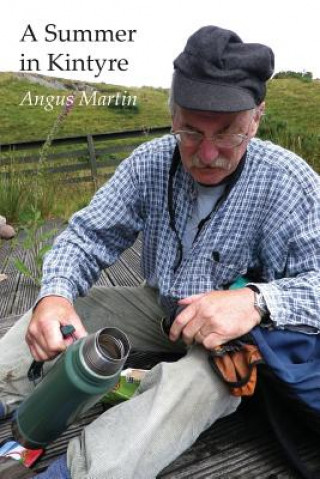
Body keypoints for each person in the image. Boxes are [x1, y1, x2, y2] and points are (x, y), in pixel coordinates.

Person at [1, 25, 320, 479]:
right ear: (172, 116)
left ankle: (75, 472)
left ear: (256, 117)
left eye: (227, 133)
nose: (206, 154)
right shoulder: (149, 161)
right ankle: (6, 388)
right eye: (190, 131)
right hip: (160, 304)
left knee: (198, 383)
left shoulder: (291, 181)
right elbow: (87, 235)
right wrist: (54, 295)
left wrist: (254, 301)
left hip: (232, 342)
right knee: (66, 311)